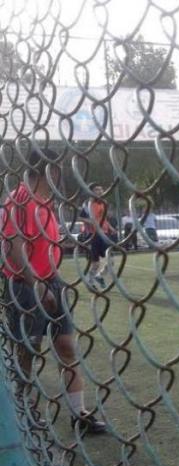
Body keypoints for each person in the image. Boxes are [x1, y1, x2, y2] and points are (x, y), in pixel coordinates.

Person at [1, 148, 106, 434]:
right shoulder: (19, 199)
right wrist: (36, 284)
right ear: (49, 169)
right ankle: (23, 410)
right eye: (58, 168)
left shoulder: (46, 201)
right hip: (25, 285)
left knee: (67, 347)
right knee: (28, 350)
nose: (60, 174)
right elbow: (14, 247)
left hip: (53, 281)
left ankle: (79, 414)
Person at [79, 182, 116, 289]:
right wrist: (90, 221)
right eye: (96, 189)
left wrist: (110, 227)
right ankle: (90, 282)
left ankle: (99, 276)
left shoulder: (103, 203)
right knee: (95, 264)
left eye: (101, 189)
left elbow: (103, 219)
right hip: (92, 235)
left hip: (103, 234)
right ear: (91, 192)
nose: (100, 191)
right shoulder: (87, 204)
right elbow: (80, 218)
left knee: (111, 260)